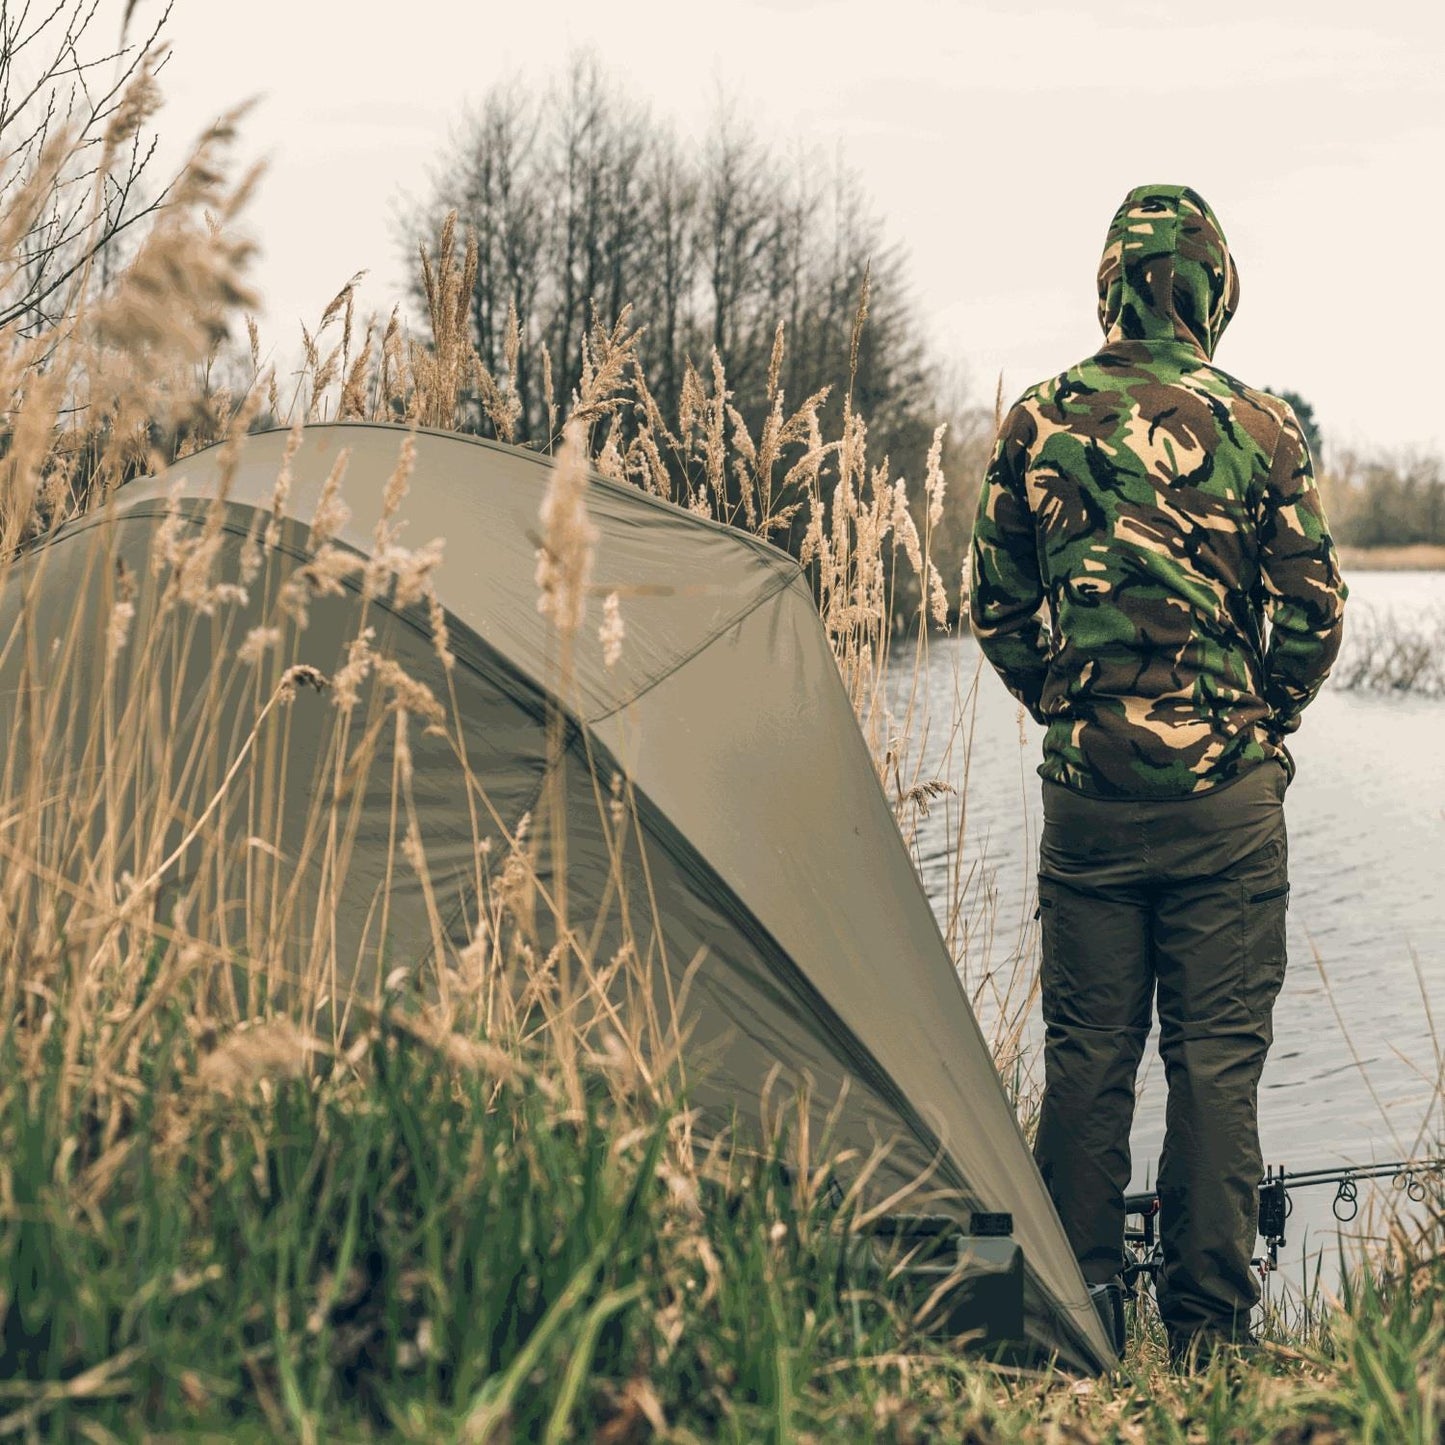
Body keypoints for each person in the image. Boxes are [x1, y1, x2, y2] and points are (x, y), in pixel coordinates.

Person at [968, 183, 1347, 1369]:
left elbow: (995, 608)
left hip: (1086, 804)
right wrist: (1257, 718)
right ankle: (1209, 1341)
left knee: (1085, 1061)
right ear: (1211, 292)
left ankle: (1072, 1335)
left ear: (1110, 287)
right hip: (1224, 804)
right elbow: (1314, 612)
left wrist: (1067, 707)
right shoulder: (1259, 426)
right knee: (1214, 1064)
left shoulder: (1037, 420)